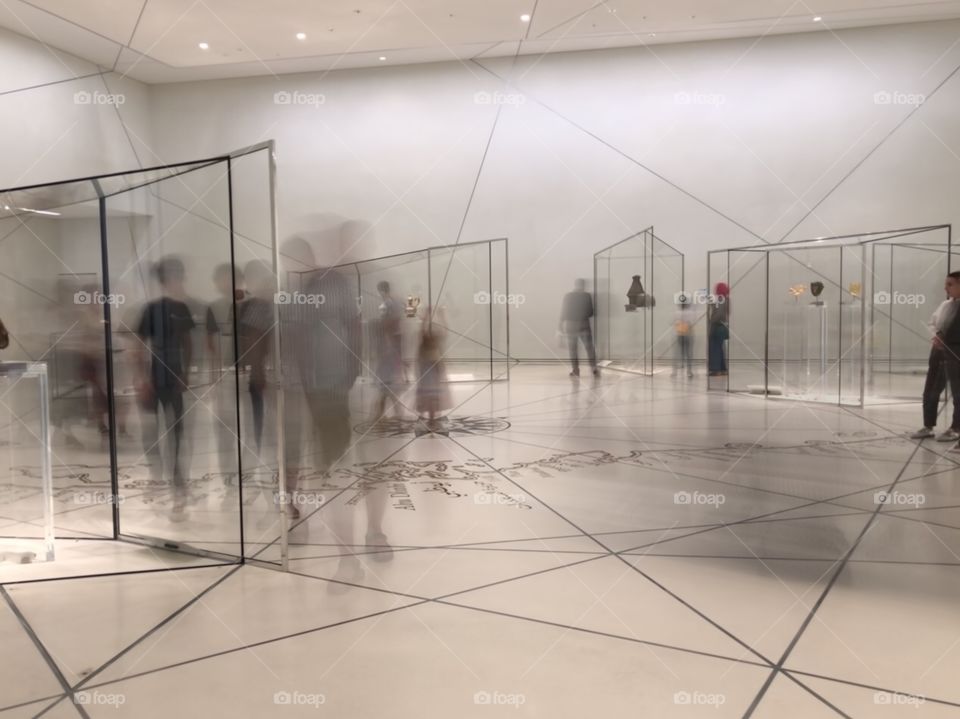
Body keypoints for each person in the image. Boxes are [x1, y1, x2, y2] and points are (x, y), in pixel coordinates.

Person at [135, 257, 195, 518]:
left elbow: (188, 343)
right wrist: (142, 378)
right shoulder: (150, 310)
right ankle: (156, 475)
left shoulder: (181, 308)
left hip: (173, 376)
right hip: (154, 376)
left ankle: (178, 479)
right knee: (150, 430)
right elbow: (138, 345)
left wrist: (185, 372)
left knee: (176, 430)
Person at [912, 271, 960, 441]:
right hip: (938, 353)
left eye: (950, 284)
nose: (945, 288)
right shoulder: (945, 305)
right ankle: (928, 426)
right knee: (931, 390)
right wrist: (937, 335)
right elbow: (932, 323)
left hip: (956, 355)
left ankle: (956, 428)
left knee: (957, 392)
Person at [416, 306, 453, 431]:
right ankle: (432, 419)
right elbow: (444, 332)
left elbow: (425, 332)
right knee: (433, 395)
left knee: (431, 395)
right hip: (432, 368)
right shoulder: (432, 343)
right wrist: (440, 316)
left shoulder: (428, 342)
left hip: (431, 368)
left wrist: (427, 316)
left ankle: (431, 418)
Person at [372, 280, 404, 421]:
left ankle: (381, 415)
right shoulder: (394, 303)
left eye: (379, 291)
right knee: (388, 386)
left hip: (388, 350)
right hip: (392, 349)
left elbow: (386, 325)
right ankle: (393, 413)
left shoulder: (386, 305)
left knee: (386, 384)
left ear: (381, 291)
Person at [560, 278, 599, 378]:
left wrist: (560, 326)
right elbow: (591, 312)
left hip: (570, 325)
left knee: (573, 349)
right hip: (583, 324)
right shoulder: (587, 296)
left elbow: (563, 312)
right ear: (583, 285)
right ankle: (593, 368)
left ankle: (575, 370)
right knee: (589, 347)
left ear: (575, 285)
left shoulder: (568, 296)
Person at [708, 282, 730, 377]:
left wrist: (712, 320)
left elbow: (718, 314)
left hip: (716, 326)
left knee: (714, 348)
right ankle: (722, 369)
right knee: (720, 348)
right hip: (723, 325)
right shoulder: (727, 300)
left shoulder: (720, 299)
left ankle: (715, 369)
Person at [673, 294, 695, 379]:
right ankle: (689, 371)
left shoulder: (677, 312)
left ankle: (675, 371)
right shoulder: (690, 312)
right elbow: (692, 323)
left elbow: (674, 322)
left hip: (680, 334)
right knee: (688, 353)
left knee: (678, 353)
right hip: (688, 335)